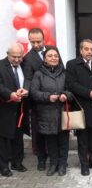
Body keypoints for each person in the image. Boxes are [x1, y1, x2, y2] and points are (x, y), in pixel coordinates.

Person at [66, 39, 92, 176]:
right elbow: (71, 85)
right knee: (82, 138)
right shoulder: (72, 64)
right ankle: (84, 164)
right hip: (80, 107)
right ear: (81, 50)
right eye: (87, 49)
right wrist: (88, 92)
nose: (89, 52)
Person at [30, 46, 71, 176]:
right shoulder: (38, 74)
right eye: (50, 56)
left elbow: (71, 90)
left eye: (56, 56)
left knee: (63, 141)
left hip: (63, 112)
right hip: (46, 113)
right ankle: (53, 164)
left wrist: (65, 95)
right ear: (44, 59)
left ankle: (63, 164)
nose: (54, 58)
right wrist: (48, 97)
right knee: (51, 141)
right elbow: (34, 93)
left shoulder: (65, 73)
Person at [0, 43, 30, 177]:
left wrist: (26, 89)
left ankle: (17, 163)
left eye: (19, 57)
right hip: (5, 108)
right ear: (8, 54)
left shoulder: (25, 65)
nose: (17, 60)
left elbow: (28, 79)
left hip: (21, 108)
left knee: (18, 136)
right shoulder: (1, 66)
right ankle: (4, 166)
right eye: (14, 57)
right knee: (4, 138)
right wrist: (10, 94)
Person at [23, 28, 48, 171]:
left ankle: (53, 155)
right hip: (37, 101)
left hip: (54, 98)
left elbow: (61, 69)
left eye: (38, 41)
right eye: (32, 42)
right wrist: (26, 90)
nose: (36, 44)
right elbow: (28, 78)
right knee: (38, 131)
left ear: (44, 39)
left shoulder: (52, 50)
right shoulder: (27, 58)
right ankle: (41, 158)